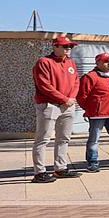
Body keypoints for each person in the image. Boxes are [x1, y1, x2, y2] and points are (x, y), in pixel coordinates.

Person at [31, 35, 81, 182]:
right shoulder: (44, 62)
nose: (68, 49)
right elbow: (44, 85)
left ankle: (60, 168)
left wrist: (71, 99)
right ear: (55, 46)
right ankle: (39, 173)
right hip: (49, 105)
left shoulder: (70, 62)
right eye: (65, 46)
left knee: (64, 138)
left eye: (70, 46)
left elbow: (76, 81)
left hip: (68, 105)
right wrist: (64, 99)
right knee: (43, 139)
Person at [76, 52, 109, 172]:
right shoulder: (90, 77)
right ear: (98, 63)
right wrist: (90, 109)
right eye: (106, 61)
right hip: (97, 115)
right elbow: (81, 97)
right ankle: (93, 162)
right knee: (94, 139)